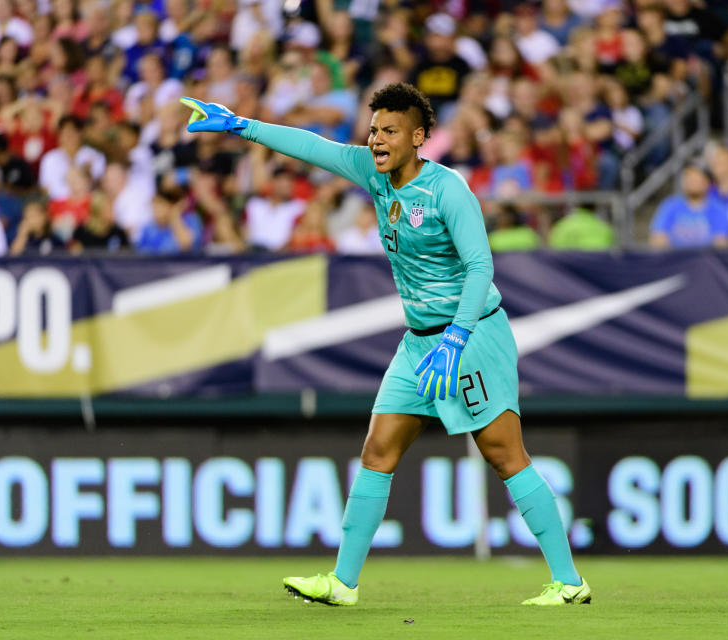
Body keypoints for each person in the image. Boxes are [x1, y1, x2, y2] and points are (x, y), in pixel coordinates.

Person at [181, 85, 591, 606]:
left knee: (503, 453)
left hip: (472, 335)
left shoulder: (448, 190)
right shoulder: (372, 174)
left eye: (390, 131)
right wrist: (243, 125)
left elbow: (480, 267)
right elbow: (310, 146)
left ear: (419, 138)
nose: (377, 139)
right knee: (377, 451)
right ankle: (343, 582)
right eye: (374, 129)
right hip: (419, 342)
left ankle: (569, 581)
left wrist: (456, 338)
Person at [649, 165, 728, 248]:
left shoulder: (717, 208)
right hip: (675, 259)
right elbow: (658, 237)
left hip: (706, 259)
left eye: (696, 179)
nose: (692, 183)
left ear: (707, 183)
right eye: (689, 179)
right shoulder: (670, 205)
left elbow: (720, 243)